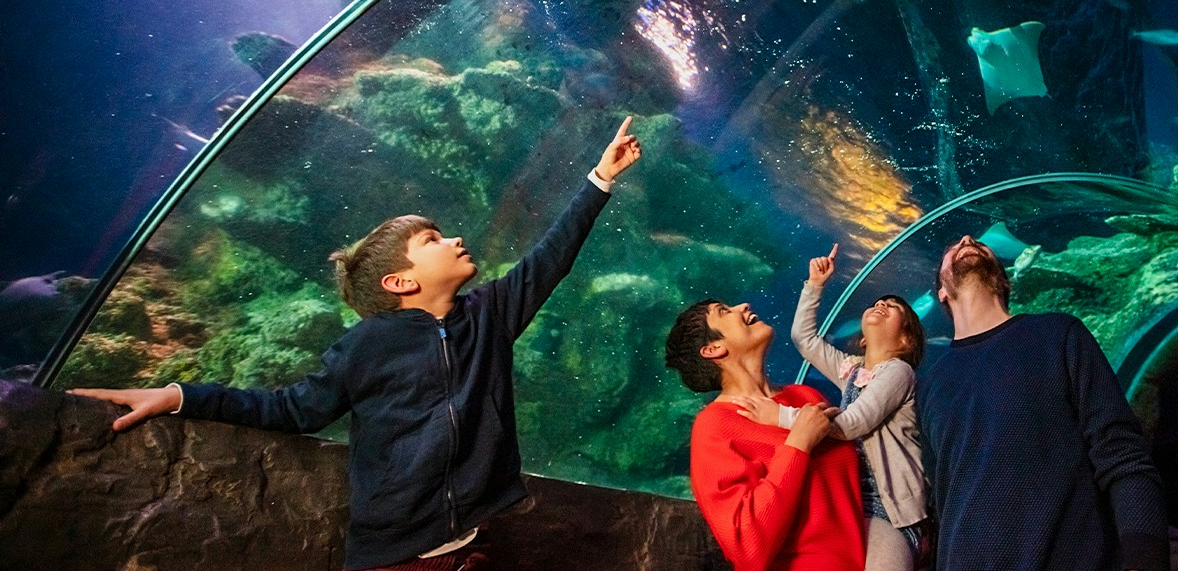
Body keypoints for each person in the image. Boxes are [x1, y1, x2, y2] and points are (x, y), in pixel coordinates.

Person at [72, 117, 643, 571]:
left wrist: (599, 179)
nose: (456, 239)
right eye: (433, 239)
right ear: (401, 282)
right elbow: (292, 409)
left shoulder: (488, 315)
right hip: (396, 556)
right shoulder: (366, 345)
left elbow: (551, 257)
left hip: (476, 539)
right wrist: (176, 396)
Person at [918, 234, 1169, 571]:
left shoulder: (1058, 334)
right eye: (952, 250)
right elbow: (942, 500)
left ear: (1005, 279)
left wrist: (1146, 553)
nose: (967, 238)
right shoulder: (931, 384)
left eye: (978, 242)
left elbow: (1122, 451)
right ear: (942, 293)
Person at [731, 244, 928, 571]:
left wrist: (780, 416)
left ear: (907, 341)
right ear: (862, 340)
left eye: (893, 308)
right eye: (878, 302)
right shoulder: (853, 371)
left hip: (890, 509)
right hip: (847, 500)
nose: (881, 304)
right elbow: (804, 339)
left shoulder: (898, 372)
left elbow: (852, 424)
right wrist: (815, 285)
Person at [664, 296, 866, 571]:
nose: (743, 306)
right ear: (713, 349)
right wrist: (798, 443)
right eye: (725, 311)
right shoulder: (714, 426)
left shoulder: (805, 396)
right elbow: (747, 549)